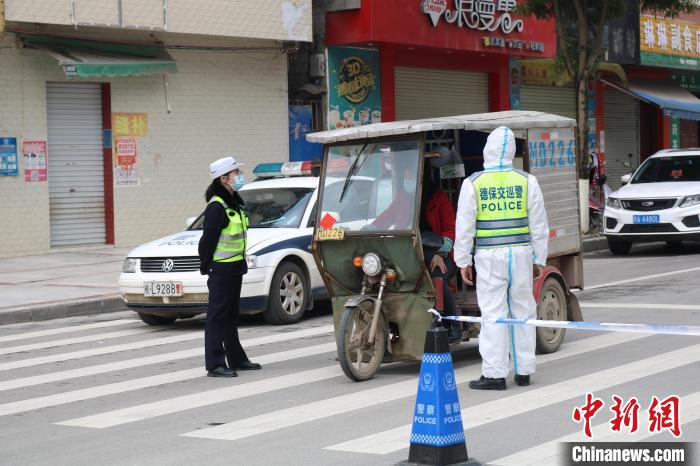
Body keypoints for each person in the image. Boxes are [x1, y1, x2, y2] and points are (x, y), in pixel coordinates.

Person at [454, 126, 548, 390]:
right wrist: (539, 258)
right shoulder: (526, 181)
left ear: (487, 150)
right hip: (521, 253)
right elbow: (538, 223)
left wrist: (463, 261)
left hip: (488, 256)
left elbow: (464, 226)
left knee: (493, 312)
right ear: (511, 152)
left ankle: (495, 375)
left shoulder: (474, 183)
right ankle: (524, 371)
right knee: (523, 310)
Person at [198, 156, 261, 378]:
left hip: (235, 266)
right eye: (235, 173)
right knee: (217, 315)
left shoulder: (234, 202)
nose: (239, 176)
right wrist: (207, 266)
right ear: (224, 178)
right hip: (221, 269)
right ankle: (215, 364)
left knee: (231, 315)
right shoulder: (217, 206)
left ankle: (237, 358)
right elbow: (207, 241)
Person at [420, 161, 462, 343]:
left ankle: (454, 326)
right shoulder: (406, 198)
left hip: (445, 255)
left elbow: (451, 230)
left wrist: (441, 253)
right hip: (419, 254)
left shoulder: (440, 199)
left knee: (438, 275)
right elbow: (391, 215)